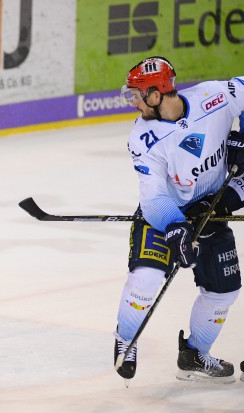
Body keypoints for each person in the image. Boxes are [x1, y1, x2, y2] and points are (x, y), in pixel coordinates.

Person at [115, 56, 244, 383]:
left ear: (156, 94)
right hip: (165, 215)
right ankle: (125, 340)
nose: (134, 102)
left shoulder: (214, 96)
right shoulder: (142, 139)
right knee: (146, 277)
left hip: (212, 208)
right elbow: (154, 198)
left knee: (224, 292)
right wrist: (176, 226)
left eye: (138, 94)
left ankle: (194, 354)